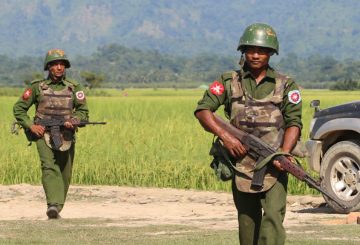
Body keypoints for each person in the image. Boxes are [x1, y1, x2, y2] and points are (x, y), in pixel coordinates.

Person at [194, 23, 302, 245]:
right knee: (247, 222)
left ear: (271, 53)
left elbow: (294, 122)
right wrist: (227, 137)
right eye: (250, 50)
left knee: (272, 218)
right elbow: (203, 111)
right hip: (241, 163)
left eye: (262, 50)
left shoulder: (287, 84)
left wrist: (283, 154)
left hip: (274, 164)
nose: (255, 55)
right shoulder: (227, 81)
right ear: (243, 51)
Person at [13, 49, 89, 219]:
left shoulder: (74, 87)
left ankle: (57, 206)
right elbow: (19, 109)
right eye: (55, 64)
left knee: (65, 171)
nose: (59, 67)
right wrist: (31, 125)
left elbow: (83, 111)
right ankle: (52, 205)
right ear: (48, 67)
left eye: (62, 64)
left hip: (66, 134)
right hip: (42, 133)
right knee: (48, 166)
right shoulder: (36, 87)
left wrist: (75, 120)